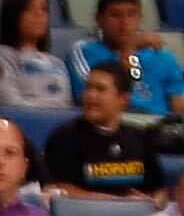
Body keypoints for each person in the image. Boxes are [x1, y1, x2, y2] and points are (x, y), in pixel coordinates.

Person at [44, 56, 165, 198]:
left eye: (100, 89)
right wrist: (113, 203)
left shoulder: (140, 138)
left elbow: (159, 191)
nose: (90, 95)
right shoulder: (65, 138)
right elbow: (59, 189)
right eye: (88, 88)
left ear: (123, 100)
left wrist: (152, 202)